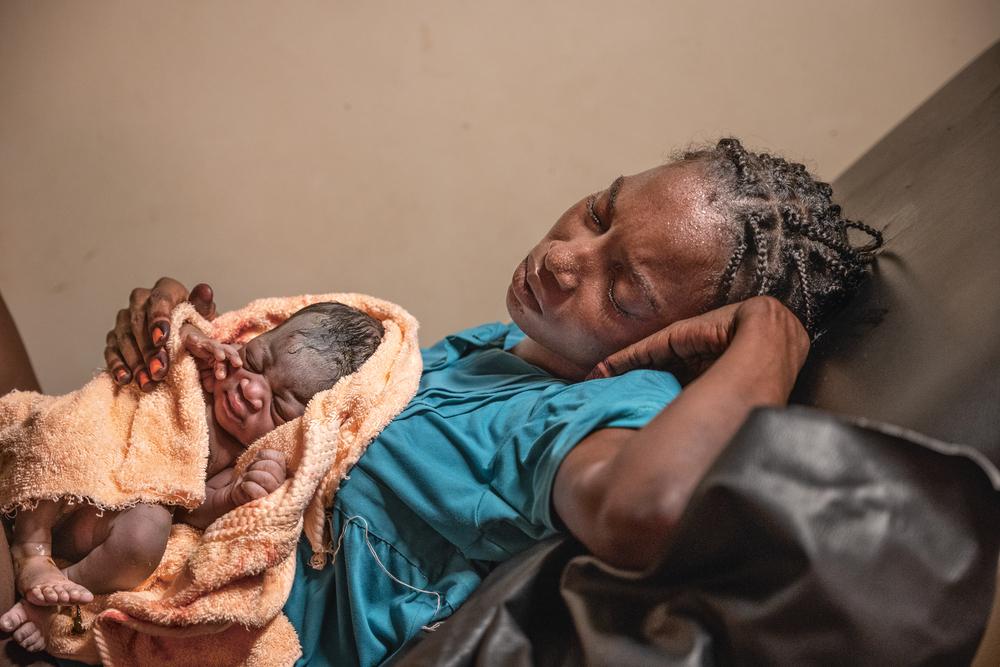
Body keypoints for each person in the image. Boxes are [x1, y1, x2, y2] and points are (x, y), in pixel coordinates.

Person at [32, 138, 883, 664]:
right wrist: (186, 334)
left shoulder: (584, 414)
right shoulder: (503, 349)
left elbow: (647, 506)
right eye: (598, 213)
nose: (564, 255)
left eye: (623, 290)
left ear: (687, 342)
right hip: (146, 543)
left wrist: (769, 339)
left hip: (189, 631)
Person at [0, 302, 384, 653]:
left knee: (148, 531)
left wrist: (234, 496)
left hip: (102, 527)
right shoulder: (204, 365)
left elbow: (194, 510)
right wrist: (188, 340)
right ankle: (32, 550)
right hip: (65, 475)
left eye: (281, 405)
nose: (251, 389)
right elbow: (167, 336)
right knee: (68, 424)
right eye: (255, 359)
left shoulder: (240, 457)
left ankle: (62, 590)